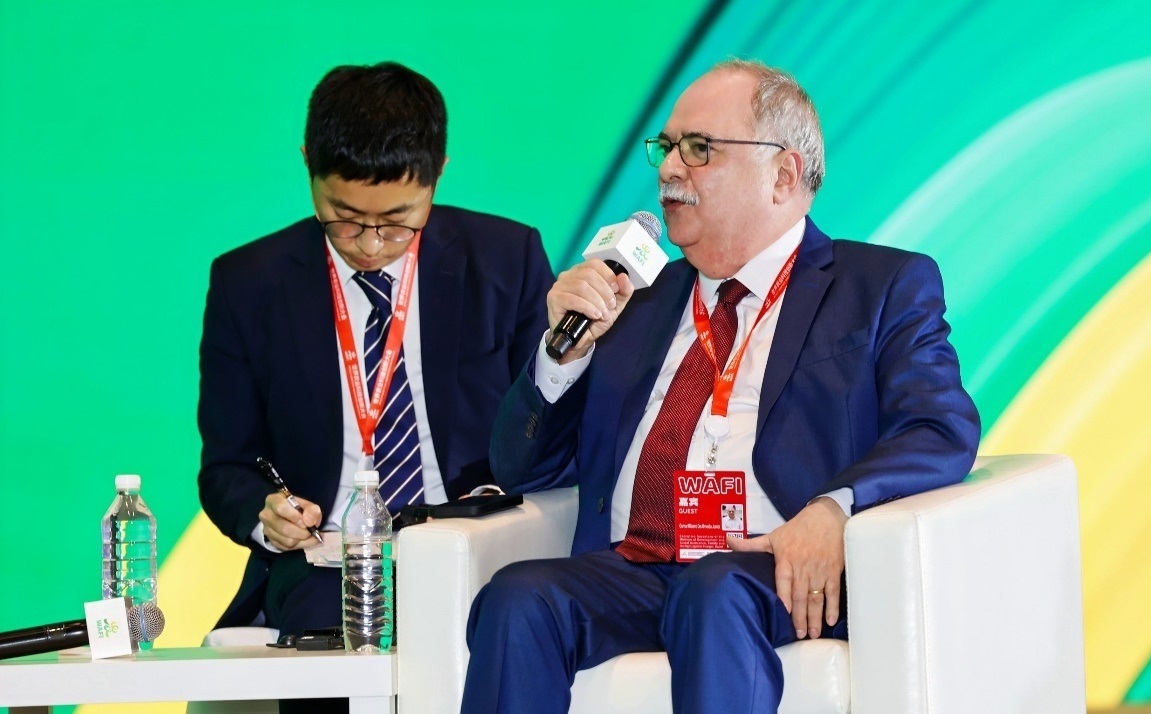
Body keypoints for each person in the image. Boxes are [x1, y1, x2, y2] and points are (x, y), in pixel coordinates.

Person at [462, 59, 981, 713]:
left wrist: (833, 509)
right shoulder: (636, 301)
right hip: (638, 566)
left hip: (770, 569)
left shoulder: (877, 287)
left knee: (714, 589)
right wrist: (561, 355)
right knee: (518, 597)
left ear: (783, 174)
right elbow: (521, 467)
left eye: (699, 148)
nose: (669, 170)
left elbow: (939, 427)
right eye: (666, 147)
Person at [197, 62, 554, 648]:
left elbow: (547, 434)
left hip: (470, 544)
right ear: (307, 162)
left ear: (438, 173)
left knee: (498, 610)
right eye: (343, 219)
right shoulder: (250, 284)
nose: (369, 245)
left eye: (396, 222)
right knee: (332, 616)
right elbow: (226, 467)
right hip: (325, 560)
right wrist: (267, 515)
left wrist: (490, 506)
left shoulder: (505, 260)